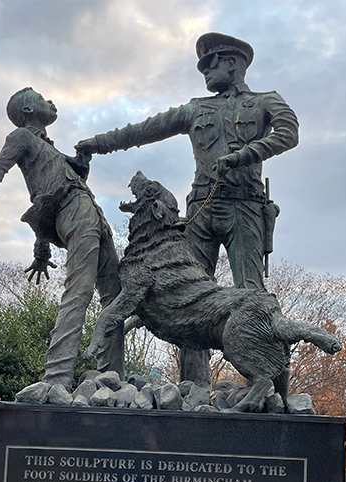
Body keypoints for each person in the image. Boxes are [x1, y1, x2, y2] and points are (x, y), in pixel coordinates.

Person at [76, 32, 299, 385]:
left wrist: (245, 155)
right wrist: (97, 144)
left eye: (211, 64)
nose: (205, 72)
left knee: (253, 294)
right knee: (191, 299)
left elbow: (288, 133)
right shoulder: (196, 108)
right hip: (200, 210)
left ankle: (272, 388)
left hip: (245, 207)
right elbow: (144, 130)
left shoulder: (265, 101)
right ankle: (194, 389)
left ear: (232, 64)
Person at [0, 87, 124, 389]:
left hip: (92, 212)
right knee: (79, 289)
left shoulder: (52, 150)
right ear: (28, 110)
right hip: (74, 210)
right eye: (41, 98)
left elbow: (53, 187)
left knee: (114, 296)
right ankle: (56, 378)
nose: (50, 101)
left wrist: (42, 251)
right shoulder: (21, 137)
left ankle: (112, 376)